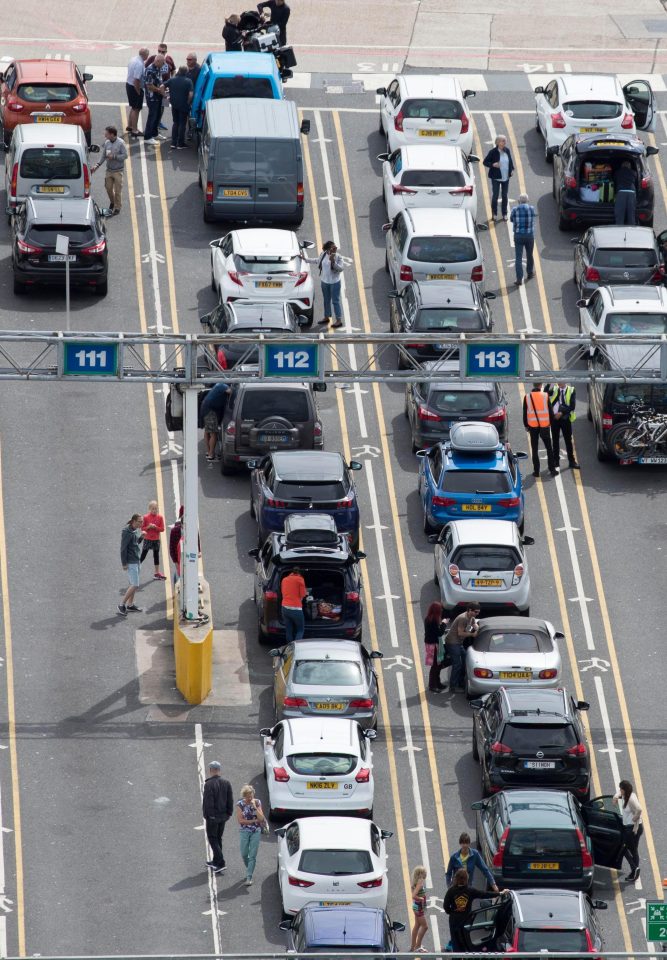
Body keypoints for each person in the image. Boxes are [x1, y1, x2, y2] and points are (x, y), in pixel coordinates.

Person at [444, 869, 506, 954]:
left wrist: (452, 913)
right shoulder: (470, 891)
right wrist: (500, 893)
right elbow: (484, 894)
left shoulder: (451, 891)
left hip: (454, 920)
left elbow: (446, 906)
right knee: (465, 943)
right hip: (465, 920)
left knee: (456, 943)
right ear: (466, 879)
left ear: (456, 878)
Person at [202, 760, 234, 874]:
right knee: (218, 838)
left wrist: (209, 816)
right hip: (223, 816)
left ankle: (220, 862)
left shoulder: (209, 784)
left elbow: (208, 802)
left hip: (213, 817)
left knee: (212, 838)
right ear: (219, 770)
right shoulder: (226, 783)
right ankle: (215, 861)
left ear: (210, 770)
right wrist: (229, 813)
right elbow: (230, 799)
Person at [523, 382, 558, 478]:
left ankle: (536, 471)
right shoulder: (545, 396)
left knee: (534, 449)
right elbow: (550, 412)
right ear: (540, 386)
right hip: (544, 425)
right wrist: (550, 423)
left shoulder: (527, 397)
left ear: (533, 385)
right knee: (549, 449)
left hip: (532, 426)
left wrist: (526, 425)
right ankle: (552, 469)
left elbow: (525, 412)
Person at [306, 241, 344, 328]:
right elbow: (317, 261)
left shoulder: (338, 257)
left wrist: (333, 262)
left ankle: (338, 320)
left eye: (333, 248)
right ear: (327, 249)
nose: (332, 250)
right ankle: (327, 317)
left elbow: (341, 269)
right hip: (325, 282)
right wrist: (305, 259)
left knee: (335, 301)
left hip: (335, 282)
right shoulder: (323, 254)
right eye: (330, 248)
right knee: (326, 300)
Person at [91, 126, 128, 216]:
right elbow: (104, 156)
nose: (105, 135)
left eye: (106, 134)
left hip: (118, 171)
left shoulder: (121, 143)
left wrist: (114, 156)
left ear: (112, 134)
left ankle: (117, 207)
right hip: (109, 170)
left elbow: (125, 156)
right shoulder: (107, 142)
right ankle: (112, 202)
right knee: (108, 188)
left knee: (118, 191)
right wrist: (97, 165)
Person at [236, 784, 267, 886]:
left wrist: (254, 807)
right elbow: (240, 820)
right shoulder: (240, 804)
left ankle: (249, 876)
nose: (250, 798)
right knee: (244, 854)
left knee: (252, 855)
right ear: (244, 796)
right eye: (248, 796)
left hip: (256, 831)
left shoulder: (257, 802)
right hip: (244, 832)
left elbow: (261, 818)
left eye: (251, 795)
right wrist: (254, 820)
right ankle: (249, 867)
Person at [445, 602, 479, 693]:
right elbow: (460, 633)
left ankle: (460, 682)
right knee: (457, 664)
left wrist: (479, 629)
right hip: (453, 643)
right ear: (469, 610)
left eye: (478, 612)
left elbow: (474, 624)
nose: (477, 614)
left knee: (465, 661)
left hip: (459, 643)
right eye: (475, 612)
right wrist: (472, 634)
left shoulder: (471, 617)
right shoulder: (463, 618)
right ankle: (453, 686)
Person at [614, 779, 643, 882]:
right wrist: (616, 796)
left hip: (632, 829)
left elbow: (639, 809)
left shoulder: (631, 798)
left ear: (625, 790)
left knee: (624, 848)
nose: (620, 790)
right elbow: (618, 793)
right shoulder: (627, 795)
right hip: (632, 828)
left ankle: (634, 868)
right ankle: (634, 872)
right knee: (633, 850)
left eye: (621, 789)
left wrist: (635, 818)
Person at [546, 382, 579, 469]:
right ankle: (556, 461)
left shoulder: (571, 390)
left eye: (560, 380)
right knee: (555, 440)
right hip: (554, 419)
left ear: (565, 381)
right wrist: (549, 383)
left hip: (565, 419)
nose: (558, 382)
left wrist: (561, 413)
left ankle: (572, 461)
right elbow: (545, 393)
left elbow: (572, 406)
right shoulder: (555, 388)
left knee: (568, 440)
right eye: (557, 380)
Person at [483, 135, 514, 222]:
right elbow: (485, 162)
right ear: (497, 142)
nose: (505, 142)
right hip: (496, 178)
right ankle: (495, 213)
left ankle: (504, 214)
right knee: (495, 195)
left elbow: (510, 161)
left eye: (505, 140)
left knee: (504, 195)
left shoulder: (507, 150)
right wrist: (493, 164)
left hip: (506, 177)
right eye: (503, 141)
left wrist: (511, 169)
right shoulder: (493, 152)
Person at [118, 514, 144, 616]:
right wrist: (124, 563)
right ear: (134, 521)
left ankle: (130, 604)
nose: (141, 523)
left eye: (142, 522)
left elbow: (135, 543)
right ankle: (121, 604)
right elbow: (123, 549)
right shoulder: (126, 533)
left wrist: (141, 537)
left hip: (137, 560)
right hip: (131, 562)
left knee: (133, 584)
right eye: (140, 522)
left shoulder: (136, 530)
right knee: (135, 584)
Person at [509, 192, 537, 286]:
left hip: (518, 236)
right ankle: (530, 273)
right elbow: (533, 217)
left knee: (518, 258)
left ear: (518, 201)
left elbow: (511, 219)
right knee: (529, 255)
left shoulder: (515, 209)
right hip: (529, 236)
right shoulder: (531, 209)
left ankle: (519, 279)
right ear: (527, 201)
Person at [146, 44, 176, 130]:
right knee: (154, 109)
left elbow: (173, 70)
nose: (161, 53)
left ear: (166, 51)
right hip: (155, 89)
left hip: (166, 88)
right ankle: (154, 125)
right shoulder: (153, 59)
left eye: (163, 51)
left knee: (163, 107)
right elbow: (146, 71)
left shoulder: (169, 59)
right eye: (159, 51)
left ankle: (158, 122)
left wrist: (172, 79)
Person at [165, 66, 194, 150]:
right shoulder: (188, 81)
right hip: (184, 105)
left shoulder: (172, 80)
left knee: (175, 122)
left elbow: (162, 86)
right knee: (182, 124)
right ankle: (180, 143)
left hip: (174, 105)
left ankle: (173, 143)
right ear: (186, 72)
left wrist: (164, 95)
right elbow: (191, 94)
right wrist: (188, 102)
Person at [200, 383, 229, 462]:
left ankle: (209, 452)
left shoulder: (218, 385)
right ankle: (211, 455)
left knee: (207, 431)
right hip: (210, 411)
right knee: (213, 433)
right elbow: (230, 391)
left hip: (205, 409)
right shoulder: (224, 386)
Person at [424, 601, 448, 694]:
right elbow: (439, 633)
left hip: (435, 643)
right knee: (435, 665)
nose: (442, 610)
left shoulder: (430, 618)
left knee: (438, 664)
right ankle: (432, 685)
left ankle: (437, 683)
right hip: (433, 644)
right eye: (440, 609)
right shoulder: (433, 620)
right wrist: (444, 624)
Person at [143, 54, 166, 145]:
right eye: (163, 62)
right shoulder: (150, 70)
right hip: (152, 97)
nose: (164, 64)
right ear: (158, 61)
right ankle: (147, 137)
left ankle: (154, 133)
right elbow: (149, 86)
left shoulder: (157, 68)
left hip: (158, 96)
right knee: (152, 116)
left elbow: (158, 80)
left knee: (157, 116)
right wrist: (159, 90)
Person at [140, 500, 166, 580]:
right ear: (149, 509)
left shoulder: (160, 517)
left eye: (156, 508)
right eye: (153, 509)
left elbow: (162, 529)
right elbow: (142, 528)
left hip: (156, 539)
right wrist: (149, 527)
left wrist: (155, 527)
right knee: (143, 555)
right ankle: (136, 569)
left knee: (156, 556)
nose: (154, 510)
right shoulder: (145, 517)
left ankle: (156, 573)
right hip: (147, 539)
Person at [125, 48, 149, 139]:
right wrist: (138, 91)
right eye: (147, 55)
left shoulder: (134, 59)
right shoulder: (139, 64)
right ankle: (134, 130)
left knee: (133, 107)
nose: (148, 56)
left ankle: (130, 125)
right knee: (136, 109)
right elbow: (136, 80)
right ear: (144, 55)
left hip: (129, 85)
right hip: (134, 87)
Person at [281, 567, 307, 642]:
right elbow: (302, 595)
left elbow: (283, 593)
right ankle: (296, 649)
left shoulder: (284, 579)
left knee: (289, 630)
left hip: (284, 608)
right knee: (300, 630)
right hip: (296, 609)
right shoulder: (300, 580)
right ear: (299, 573)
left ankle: (290, 649)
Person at [410, 865, 429, 953]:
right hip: (419, 907)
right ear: (421, 874)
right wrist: (421, 899)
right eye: (425, 872)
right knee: (425, 927)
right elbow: (413, 895)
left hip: (415, 906)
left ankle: (413, 946)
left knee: (417, 925)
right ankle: (418, 947)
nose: (426, 874)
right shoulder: (420, 882)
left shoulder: (415, 881)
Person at [614, 161, 638, 226]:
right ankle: (631, 230)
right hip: (632, 192)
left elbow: (615, 182)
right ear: (629, 167)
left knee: (620, 215)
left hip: (621, 192)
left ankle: (619, 229)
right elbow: (636, 183)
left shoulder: (618, 172)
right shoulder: (634, 173)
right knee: (631, 214)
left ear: (622, 166)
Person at [169, 507, 184, 585]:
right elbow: (171, 548)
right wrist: (175, 562)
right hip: (178, 558)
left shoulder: (193, 529)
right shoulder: (174, 531)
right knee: (179, 576)